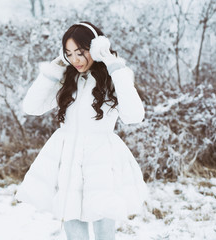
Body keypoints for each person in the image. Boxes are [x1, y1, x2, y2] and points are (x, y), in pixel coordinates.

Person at [15, 21, 148, 240]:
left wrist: (116, 68)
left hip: (101, 161)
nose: (75, 60)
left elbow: (134, 116)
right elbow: (31, 107)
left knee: (104, 228)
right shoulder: (67, 79)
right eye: (68, 53)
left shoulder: (113, 79)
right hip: (67, 159)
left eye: (80, 52)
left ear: (96, 48)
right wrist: (56, 65)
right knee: (73, 229)